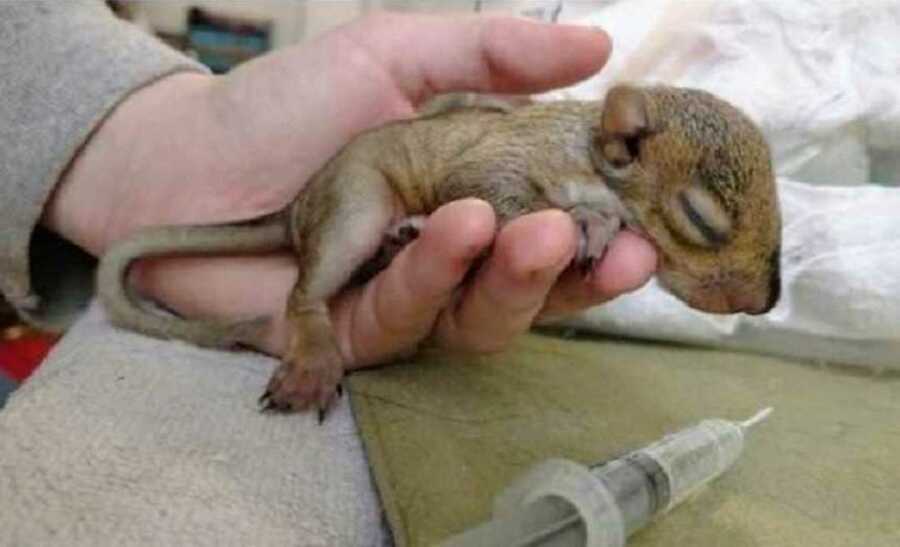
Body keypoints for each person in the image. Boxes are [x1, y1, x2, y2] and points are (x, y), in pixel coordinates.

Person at [0, 2, 656, 544]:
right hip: (372, 178)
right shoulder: (558, 157)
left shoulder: (596, 188)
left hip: (406, 200)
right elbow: (483, 186)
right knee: (379, 215)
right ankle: (308, 313)